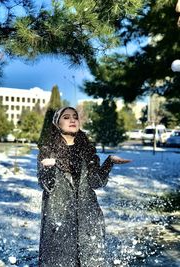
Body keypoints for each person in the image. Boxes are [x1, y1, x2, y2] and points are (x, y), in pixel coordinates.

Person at [37, 106, 131, 267]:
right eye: (66, 117)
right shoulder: (47, 150)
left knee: (91, 261)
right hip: (59, 218)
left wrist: (109, 162)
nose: (72, 120)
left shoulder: (87, 150)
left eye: (75, 116)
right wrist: (50, 167)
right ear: (57, 123)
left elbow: (96, 183)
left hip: (88, 217)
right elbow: (46, 184)